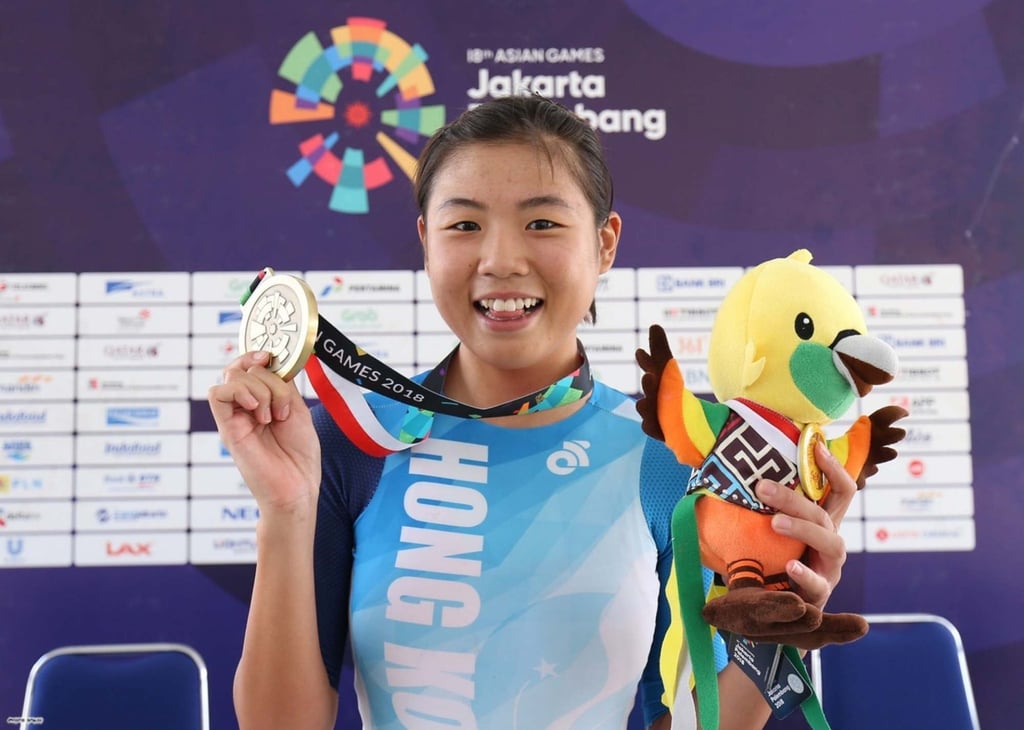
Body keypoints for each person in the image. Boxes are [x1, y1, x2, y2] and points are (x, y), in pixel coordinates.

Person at [209, 94, 856, 730]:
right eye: (464, 225)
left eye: (541, 222)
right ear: (425, 243)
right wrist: (286, 514)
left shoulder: (670, 456)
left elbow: (693, 723)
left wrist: (782, 623)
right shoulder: (351, 440)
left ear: (605, 244)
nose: (500, 261)